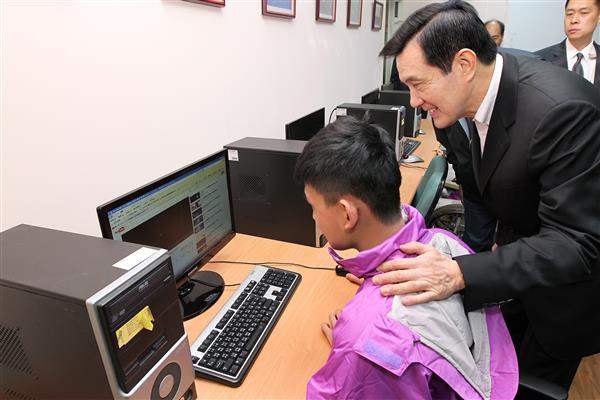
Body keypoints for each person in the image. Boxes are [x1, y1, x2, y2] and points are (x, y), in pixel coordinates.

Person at [376, 0, 600, 391]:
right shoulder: (457, 108)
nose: (413, 101)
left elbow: (576, 242)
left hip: (562, 302)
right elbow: (481, 186)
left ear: (464, 64)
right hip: (515, 272)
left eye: (418, 84)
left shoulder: (561, 110)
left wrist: (461, 272)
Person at [296, 116, 518, 399]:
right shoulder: (442, 242)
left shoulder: (366, 343)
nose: (313, 217)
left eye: (313, 207)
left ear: (347, 214)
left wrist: (350, 356)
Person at [433, 119, 496, 252]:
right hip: (472, 187)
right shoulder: (440, 116)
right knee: (476, 243)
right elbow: (452, 151)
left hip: (506, 187)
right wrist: (461, 181)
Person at [535, 0, 600, 87]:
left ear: (598, 17)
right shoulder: (539, 60)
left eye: (583, 13)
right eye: (569, 14)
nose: (573, 20)